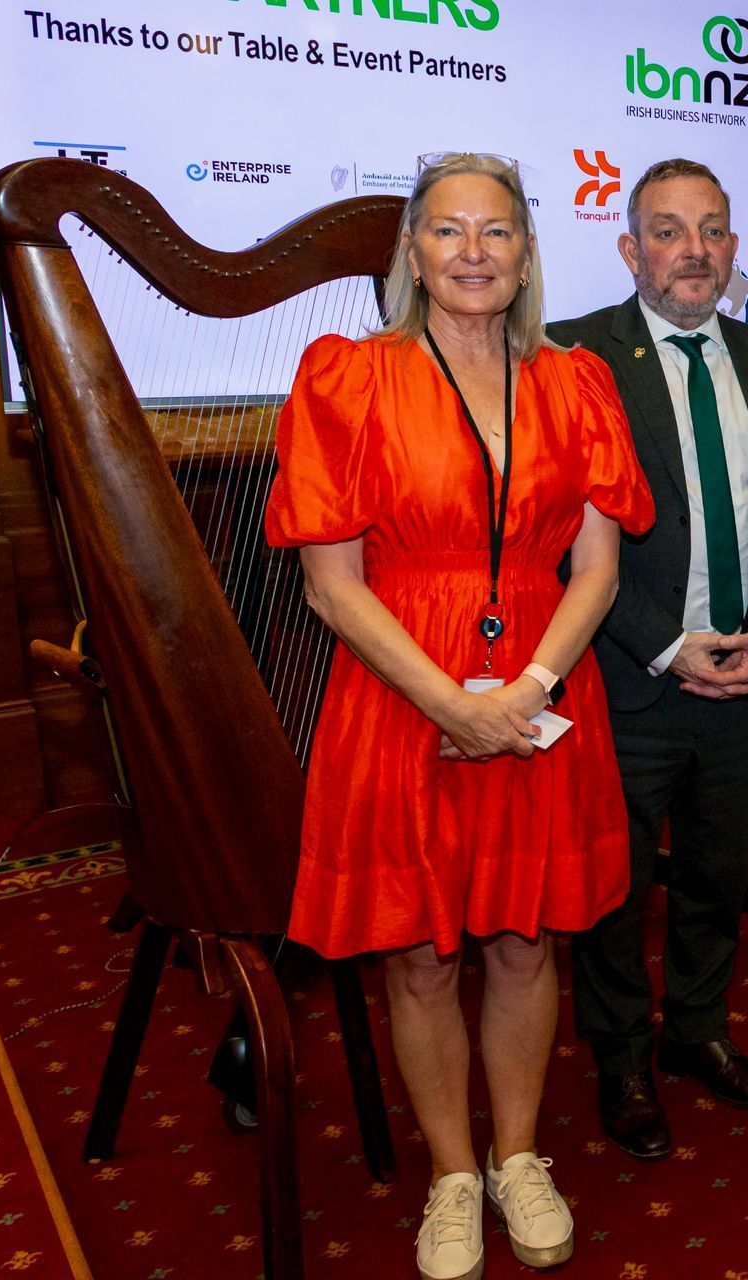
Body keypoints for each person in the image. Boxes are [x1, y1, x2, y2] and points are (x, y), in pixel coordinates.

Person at [265, 152, 654, 1279]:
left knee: (528, 937)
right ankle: (449, 1173)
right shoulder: (346, 377)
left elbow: (598, 571)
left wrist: (525, 690)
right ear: (414, 253)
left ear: (529, 253)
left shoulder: (576, 381)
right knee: (422, 953)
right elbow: (329, 584)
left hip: (541, 683)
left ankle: (518, 1154)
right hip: (399, 697)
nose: (474, 251)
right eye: (448, 230)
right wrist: (446, 701)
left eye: (497, 231)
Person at [545, 159, 748, 1160]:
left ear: (733, 248)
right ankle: (620, 1054)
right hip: (631, 678)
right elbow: (564, 543)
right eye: (667, 230)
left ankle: (699, 1031)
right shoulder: (575, 356)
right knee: (614, 886)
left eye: (710, 229)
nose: (692, 249)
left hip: (744, 677)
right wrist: (670, 644)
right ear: (631, 249)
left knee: (714, 870)